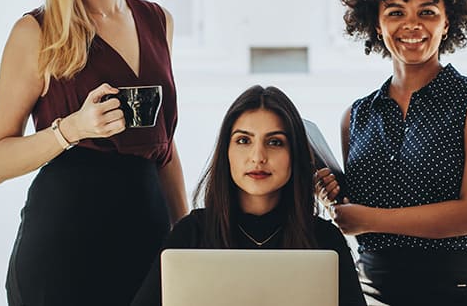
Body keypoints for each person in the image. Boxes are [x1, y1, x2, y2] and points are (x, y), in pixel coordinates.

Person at [0, 0, 188, 305]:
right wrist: (71, 129)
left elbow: (165, 147)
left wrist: (187, 237)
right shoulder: (36, 32)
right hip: (64, 246)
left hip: (146, 238)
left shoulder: (158, 21)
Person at [318, 0, 467, 306]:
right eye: (395, 12)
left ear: (447, 21)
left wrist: (368, 219)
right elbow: (359, 210)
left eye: (427, 12)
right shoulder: (356, 115)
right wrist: (333, 195)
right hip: (368, 288)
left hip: (450, 288)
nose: (412, 25)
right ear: (376, 23)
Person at [130, 85, 366, 306]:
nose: (258, 156)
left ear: (294, 155)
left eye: (275, 142)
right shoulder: (191, 233)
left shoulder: (325, 239)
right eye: (243, 140)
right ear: (227, 152)